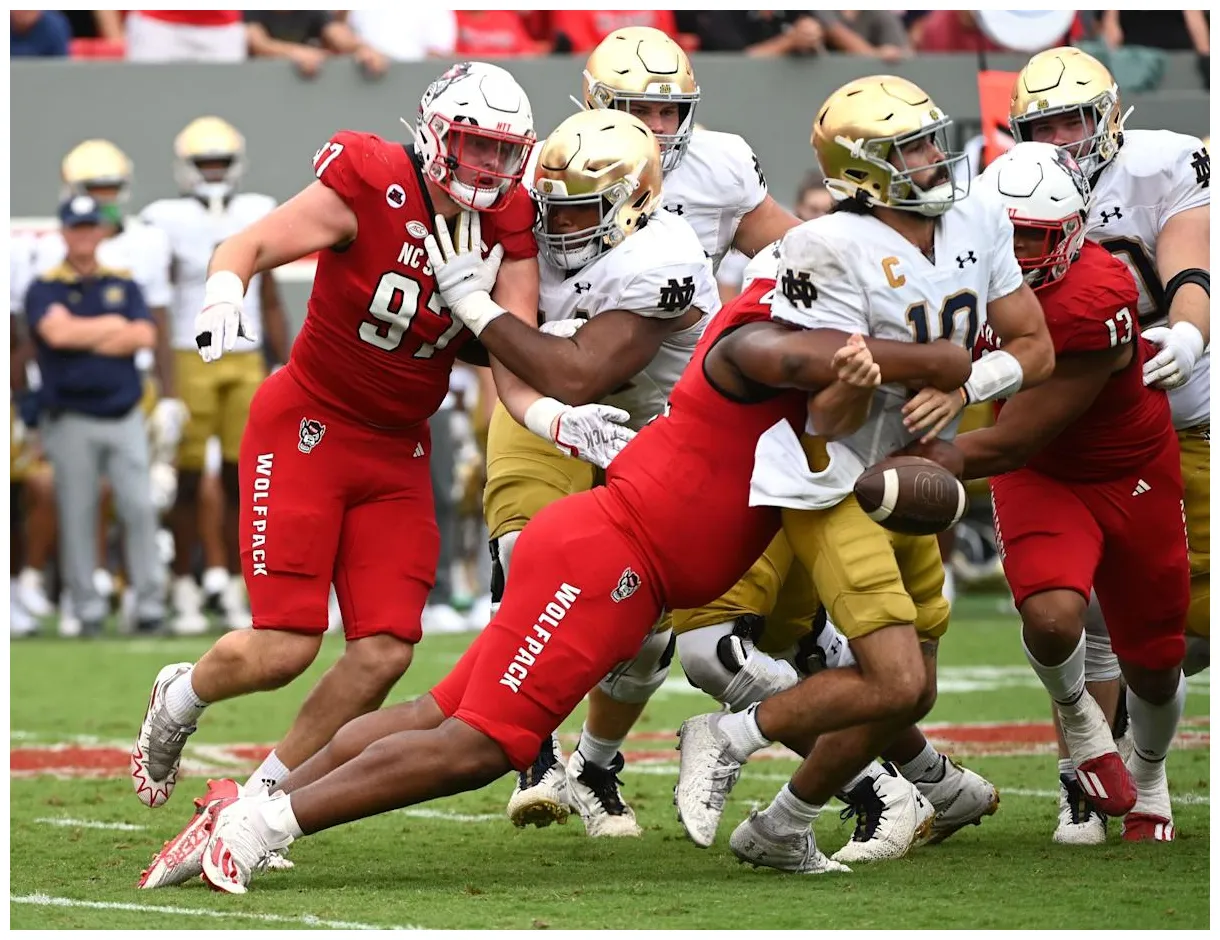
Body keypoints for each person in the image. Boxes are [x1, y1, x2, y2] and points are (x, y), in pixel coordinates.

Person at [136, 195, 976, 894]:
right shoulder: (759, 337)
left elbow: (835, 409)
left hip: (625, 571)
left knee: (440, 715)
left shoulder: (808, 348)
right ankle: (256, 828)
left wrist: (923, 388)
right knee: (482, 747)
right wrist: (937, 353)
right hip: (608, 560)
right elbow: (810, 355)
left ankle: (254, 803)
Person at [129, 62, 564, 827]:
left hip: (399, 446)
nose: (488, 167)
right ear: (434, 134)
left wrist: (548, 423)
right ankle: (182, 694)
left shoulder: (512, 220)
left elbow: (515, 353)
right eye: (472, 144)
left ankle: (263, 798)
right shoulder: (370, 178)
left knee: (387, 648)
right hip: (310, 424)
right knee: (285, 646)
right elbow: (248, 243)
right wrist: (224, 290)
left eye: (503, 151)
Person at [671, 74, 1054, 872]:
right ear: (862, 169)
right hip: (830, 472)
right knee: (890, 676)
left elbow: (1034, 345)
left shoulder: (977, 212)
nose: (931, 156)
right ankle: (730, 734)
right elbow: (829, 416)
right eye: (907, 147)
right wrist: (854, 380)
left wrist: (967, 383)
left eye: (927, 137)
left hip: (910, 469)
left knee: (912, 692)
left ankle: (780, 827)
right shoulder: (827, 246)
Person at [505, 24, 802, 837]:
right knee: (518, 552)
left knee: (647, 613)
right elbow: (513, 319)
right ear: (593, 107)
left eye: (669, 111)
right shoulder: (543, 170)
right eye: (636, 109)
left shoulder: (716, 174)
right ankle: (527, 741)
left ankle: (596, 768)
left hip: (671, 402)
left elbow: (790, 251)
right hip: (556, 372)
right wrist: (538, 397)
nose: (656, 130)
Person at [949, 141, 1188, 844]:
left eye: (1033, 237)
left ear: (1072, 231)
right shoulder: (960, 266)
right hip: (1044, 477)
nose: (1016, 251)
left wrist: (901, 460)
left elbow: (1015, 435)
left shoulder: (1096, 293)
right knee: (1053, 619)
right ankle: (1083, 726)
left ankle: (1148, 773)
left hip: (1127, 469)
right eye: (1005, 231)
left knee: (1155, 656)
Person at [1008, 45, 1210, 843]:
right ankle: (1085, 780)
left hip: (1183, 414)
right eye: (1042, 124)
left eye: (1073, 119)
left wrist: (1189, 335)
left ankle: (1143, 759)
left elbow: (1191, 269)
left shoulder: (1167, 164)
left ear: (1110, 115)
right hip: (1070, 423)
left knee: (1170, 637)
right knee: (1071, 612)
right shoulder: (1010, 186)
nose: (1059, 138)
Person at [140, 116, 290, 635]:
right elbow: (158, 304)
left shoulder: (256, 209)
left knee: (244, 479)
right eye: (203, 163)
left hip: (245, 355)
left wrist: (287, 363)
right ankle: (184, 582)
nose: (212, 172)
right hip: (188, 354)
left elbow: (269, 296)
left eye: (219, 163)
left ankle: (238, 584)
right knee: (182, 480)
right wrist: (167, 388)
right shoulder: (162, 218)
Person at [25, 195, 164, 637]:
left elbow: (143, 334)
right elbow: (54, 333)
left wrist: (83, 331)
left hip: (123, 412)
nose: (83, 235)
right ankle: (86, 609)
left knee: (139, 507)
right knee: (78, 512)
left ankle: (149, 605)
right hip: (69, 416)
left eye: (90, 227)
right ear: (64, 232)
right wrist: (111, 327)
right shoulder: (44, 286)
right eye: (76, 227)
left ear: (100, 232)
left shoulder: (124, 282)